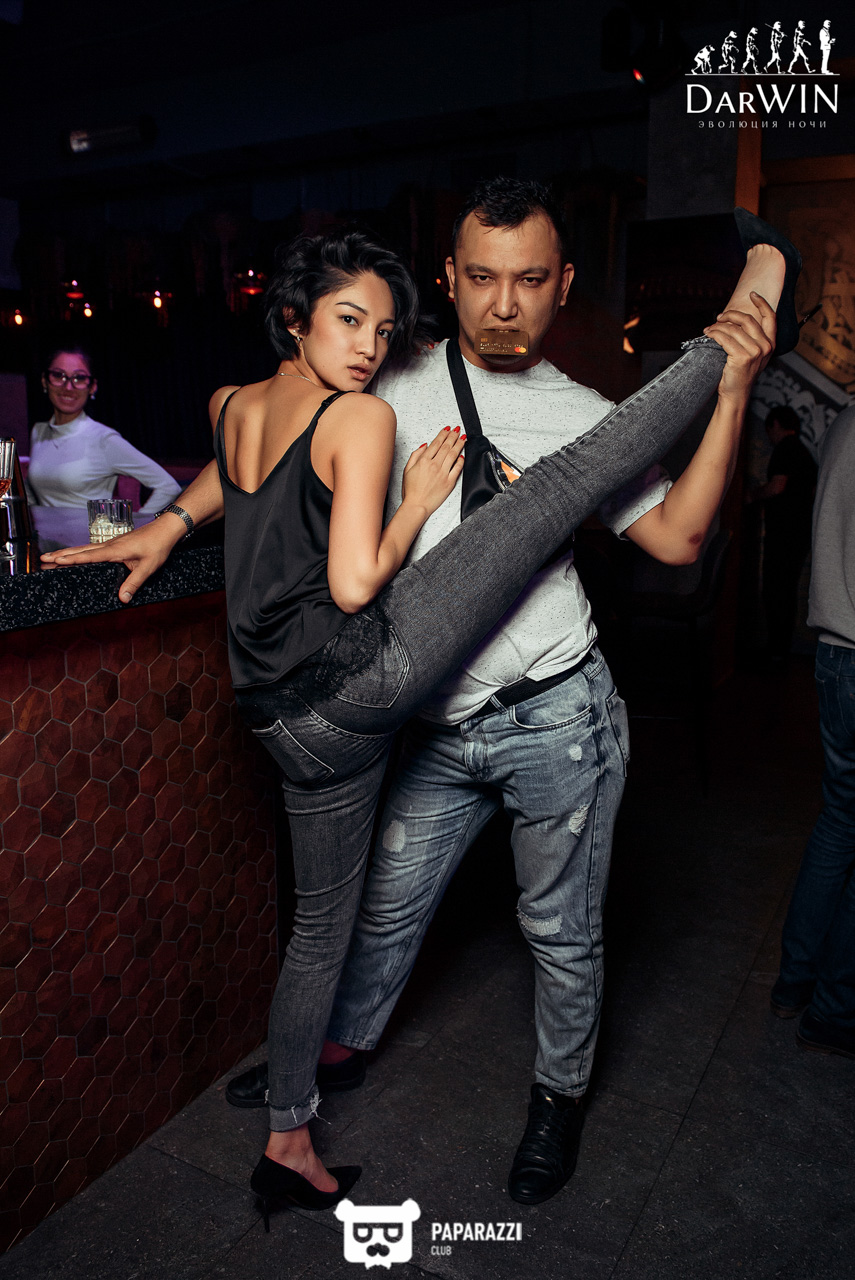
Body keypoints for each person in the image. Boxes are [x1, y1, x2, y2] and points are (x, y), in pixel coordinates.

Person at [43, 209, 792, 1219]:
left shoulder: (268, 398)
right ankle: (744, 303)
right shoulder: (375, 391)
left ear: (562, 283)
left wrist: (732, 398)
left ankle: (349, 1121)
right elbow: (330, 540)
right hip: (390, 694)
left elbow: (676, 538)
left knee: (380, 929)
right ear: (449, 274)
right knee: (553, 495)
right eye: (481, 276)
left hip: (396, 717)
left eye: (529, 279)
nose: (502, 303)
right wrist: (183, 518)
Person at [770, 404, 855, 1059]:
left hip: (833, 651)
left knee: (839, 820)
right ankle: (835, 1010)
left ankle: (795, 980)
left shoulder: (845, 419)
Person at [27, 345, 181, 513]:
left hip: (88, 530)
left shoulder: (103, 439)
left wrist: (137, 525)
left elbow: (168, 486)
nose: (68, 386)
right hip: (44, 531)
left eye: (79, 378)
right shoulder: (39, 432)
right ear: (44, 381)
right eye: (59, 375)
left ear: (92, 387)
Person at [748, 405, 817, 660]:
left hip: (784, 533)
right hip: (799, 532)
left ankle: (775, 650)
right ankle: (780, 649)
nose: (768, 436)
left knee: (776, 590)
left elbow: (777, 487)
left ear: (775, 424)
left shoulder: (785, 449)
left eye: (769, 429)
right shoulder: (803, 452)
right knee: (786, 591)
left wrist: (751, 496)